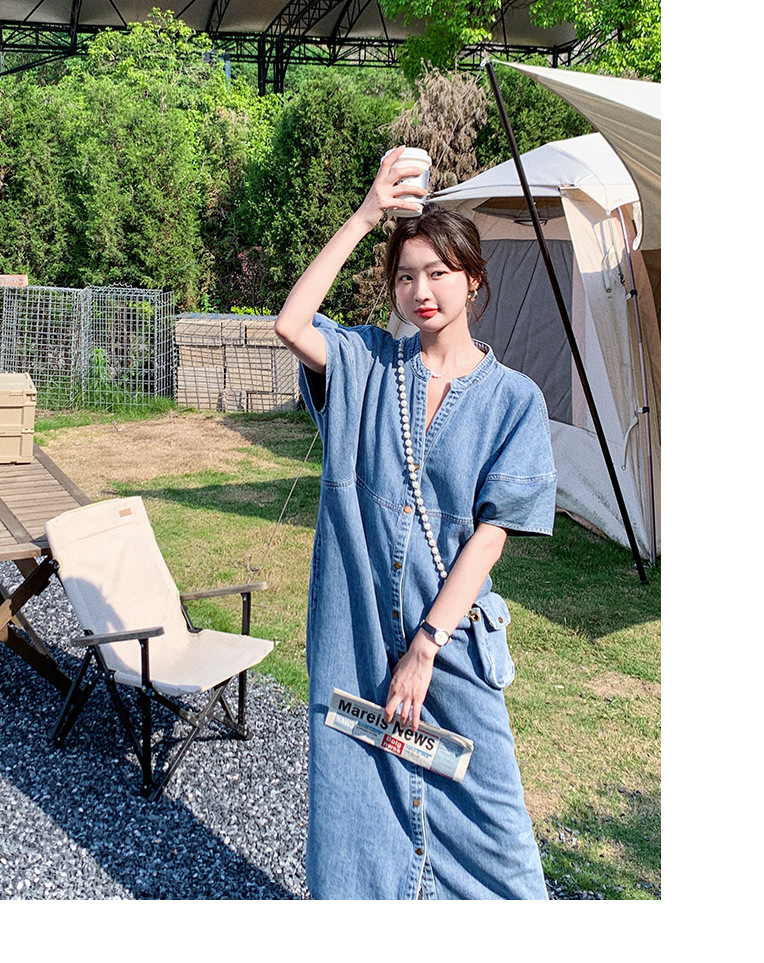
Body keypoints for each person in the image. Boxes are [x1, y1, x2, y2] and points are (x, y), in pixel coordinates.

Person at [275, 146, 557, 900]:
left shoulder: (514, 400)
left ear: (473, 279)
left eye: (438, 272)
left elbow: (492, 535)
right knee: (358, 814)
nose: (421, 290)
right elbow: (291, 323)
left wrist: (427, 644)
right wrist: (369, 214)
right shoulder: (367, 364)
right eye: (405, 276)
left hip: (452, 641)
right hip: (360, 635)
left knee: (496, 833)